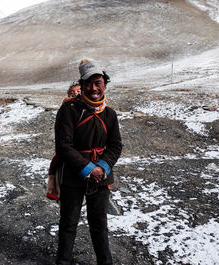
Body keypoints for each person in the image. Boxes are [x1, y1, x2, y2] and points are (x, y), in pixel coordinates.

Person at [54, 59, 122, 265]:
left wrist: (101, 167)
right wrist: (88, 168)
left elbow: (115, 146)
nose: (93, 88)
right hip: (74, 176)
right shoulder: (69, 110)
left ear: (105, 85)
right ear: (82, 86)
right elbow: (63, 146)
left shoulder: (109, 114)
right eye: (89, 84)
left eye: (98, 83)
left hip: (101, 176)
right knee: (68, 224)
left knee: (99, 224)